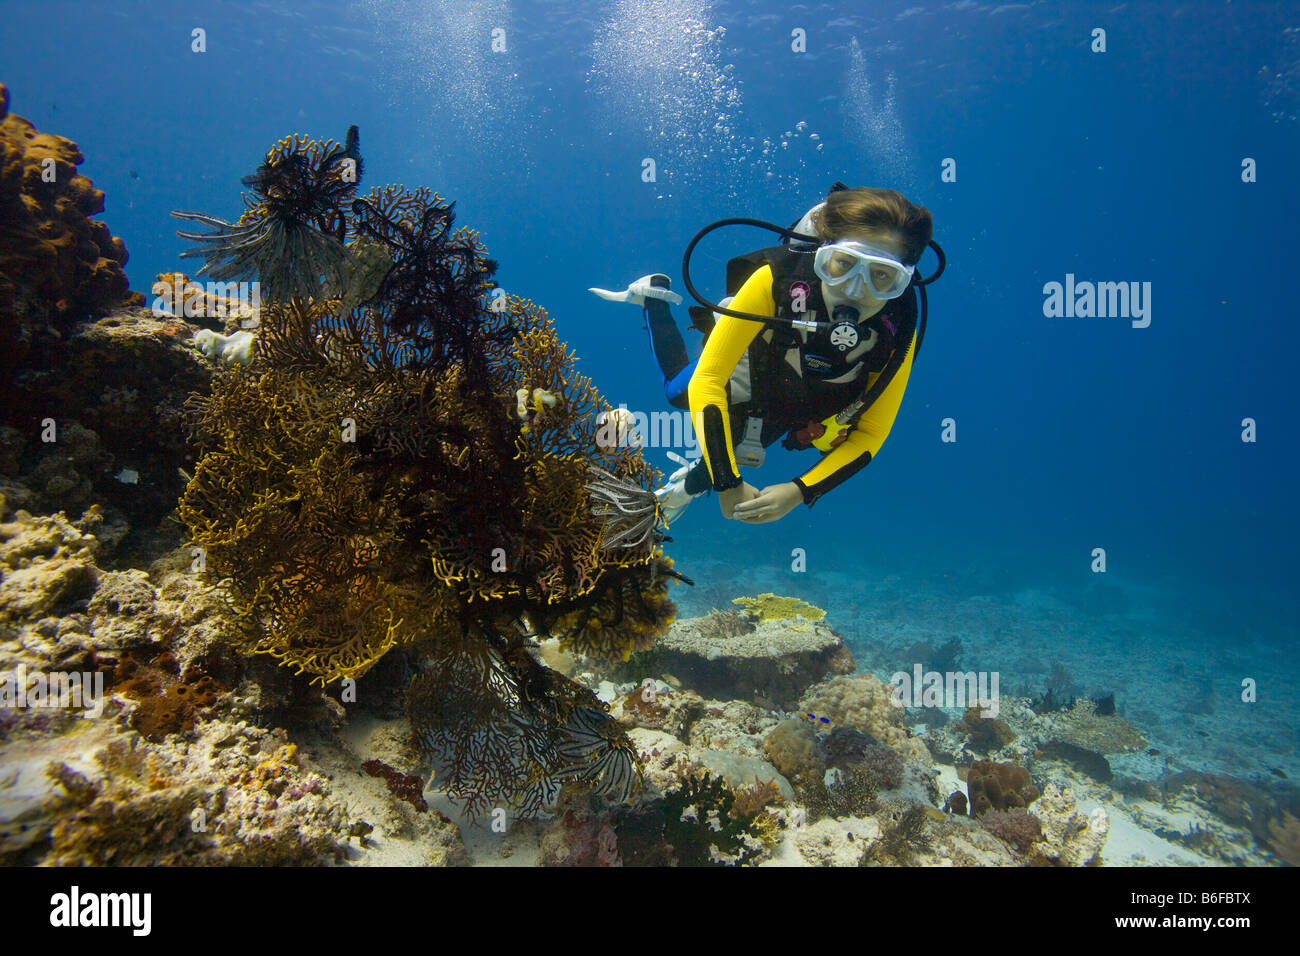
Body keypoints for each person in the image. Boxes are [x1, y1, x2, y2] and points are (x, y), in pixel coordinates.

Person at [591, 185, 934, 527]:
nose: (856, 290)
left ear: (903, 281)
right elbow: (709, 382)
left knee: (740, 447)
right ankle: (653, 298)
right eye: (842, 264)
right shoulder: (777, 278)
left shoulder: (899, 325)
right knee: (679, 394)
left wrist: (798, 492)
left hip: (804, 399)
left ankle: (681, 490)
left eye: (883, 277)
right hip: (756, 362)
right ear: (821, 254)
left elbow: (871, 434)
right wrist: (728, 483)